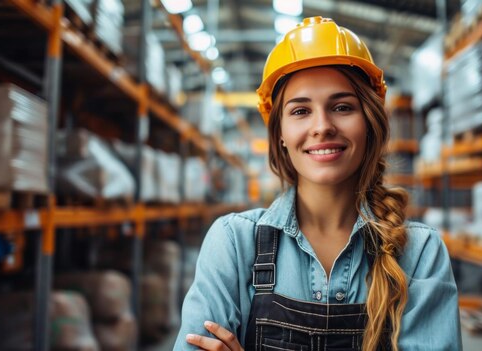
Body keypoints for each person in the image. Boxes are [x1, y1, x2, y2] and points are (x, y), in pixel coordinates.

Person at [174, 16, 461, 351]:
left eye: (341, 107)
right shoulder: (234, 243)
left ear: (369, 123)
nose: (322, 126)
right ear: (280, 134)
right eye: (300, 111)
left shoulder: (419, 253)